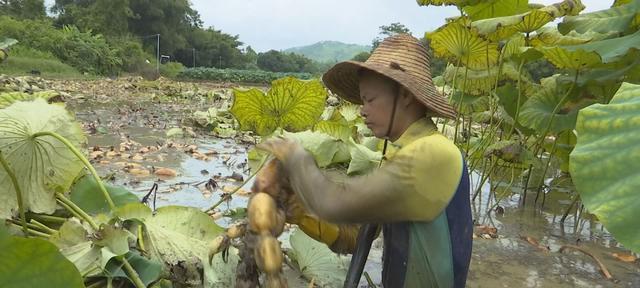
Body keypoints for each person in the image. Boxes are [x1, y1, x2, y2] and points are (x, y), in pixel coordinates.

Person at [258, 34, 472, 288]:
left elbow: (333, 203)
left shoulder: (434, 153)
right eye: (361, 101)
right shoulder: (402, 154)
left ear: (405, 95)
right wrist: (299, 211)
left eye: (370, 99)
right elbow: (358, 237)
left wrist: (294, 158)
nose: (362, 109)